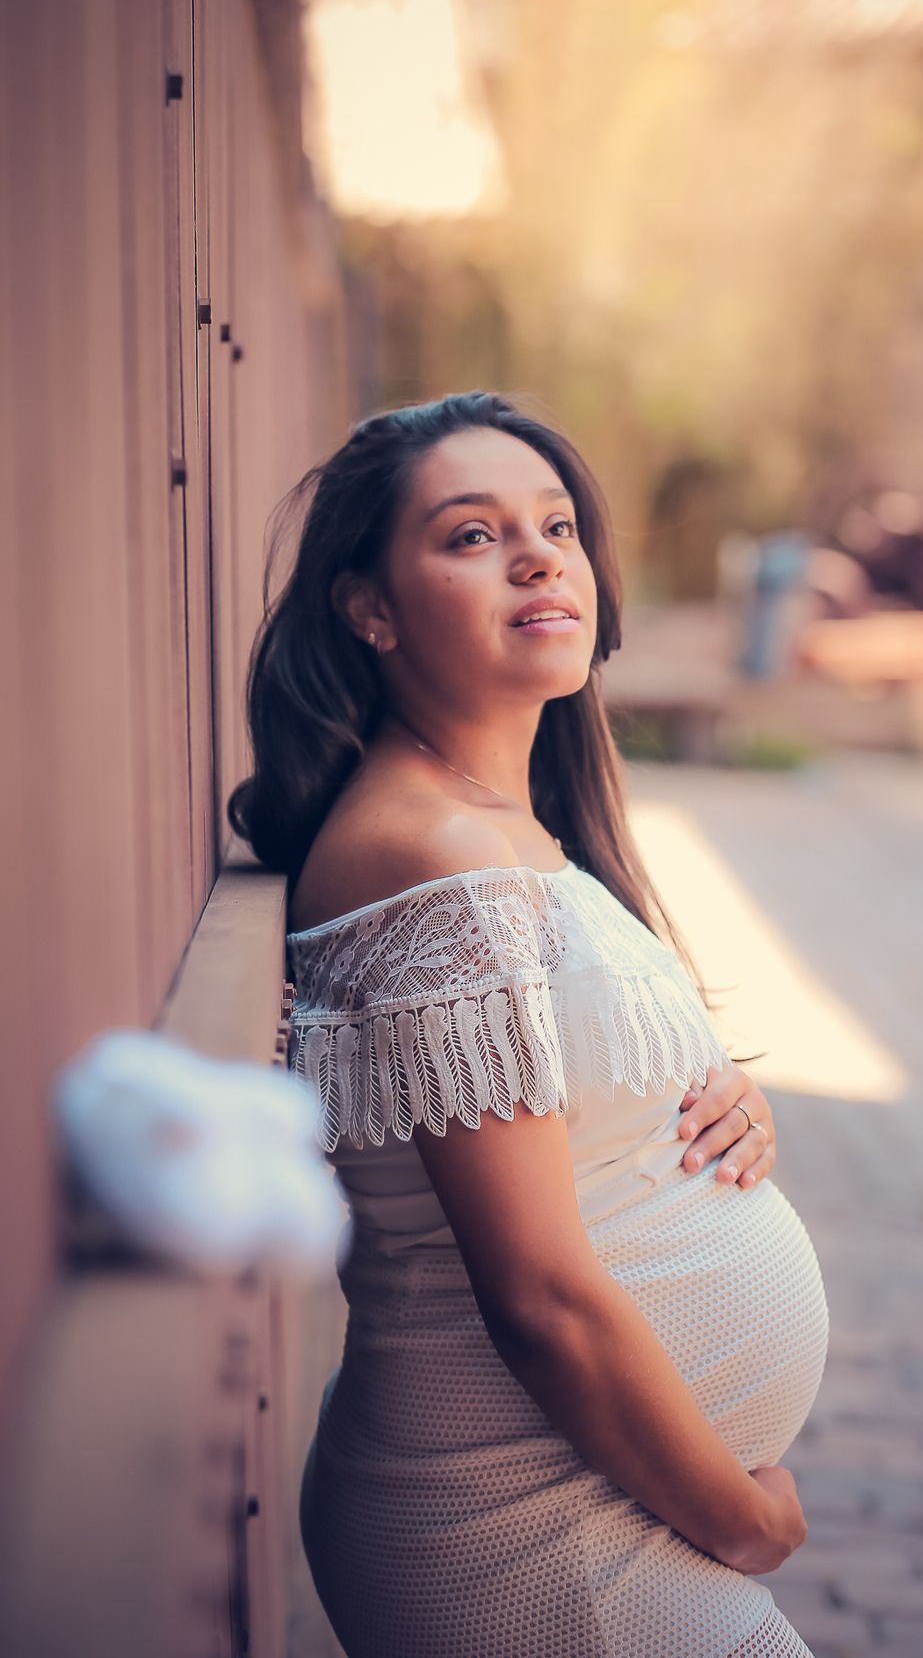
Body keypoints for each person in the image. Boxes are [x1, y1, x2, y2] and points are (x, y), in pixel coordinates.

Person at [230, 394, 829, 1658]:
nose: (540, 554)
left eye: (555, 523)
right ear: (370, 608)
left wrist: (706, 1097)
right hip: (526, 1527)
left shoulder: (496, 825)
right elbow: (543, 1298)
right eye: (470, 535)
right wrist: (744, 1520)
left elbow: (558, 1077)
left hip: (583, 1493)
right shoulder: (436, 853)